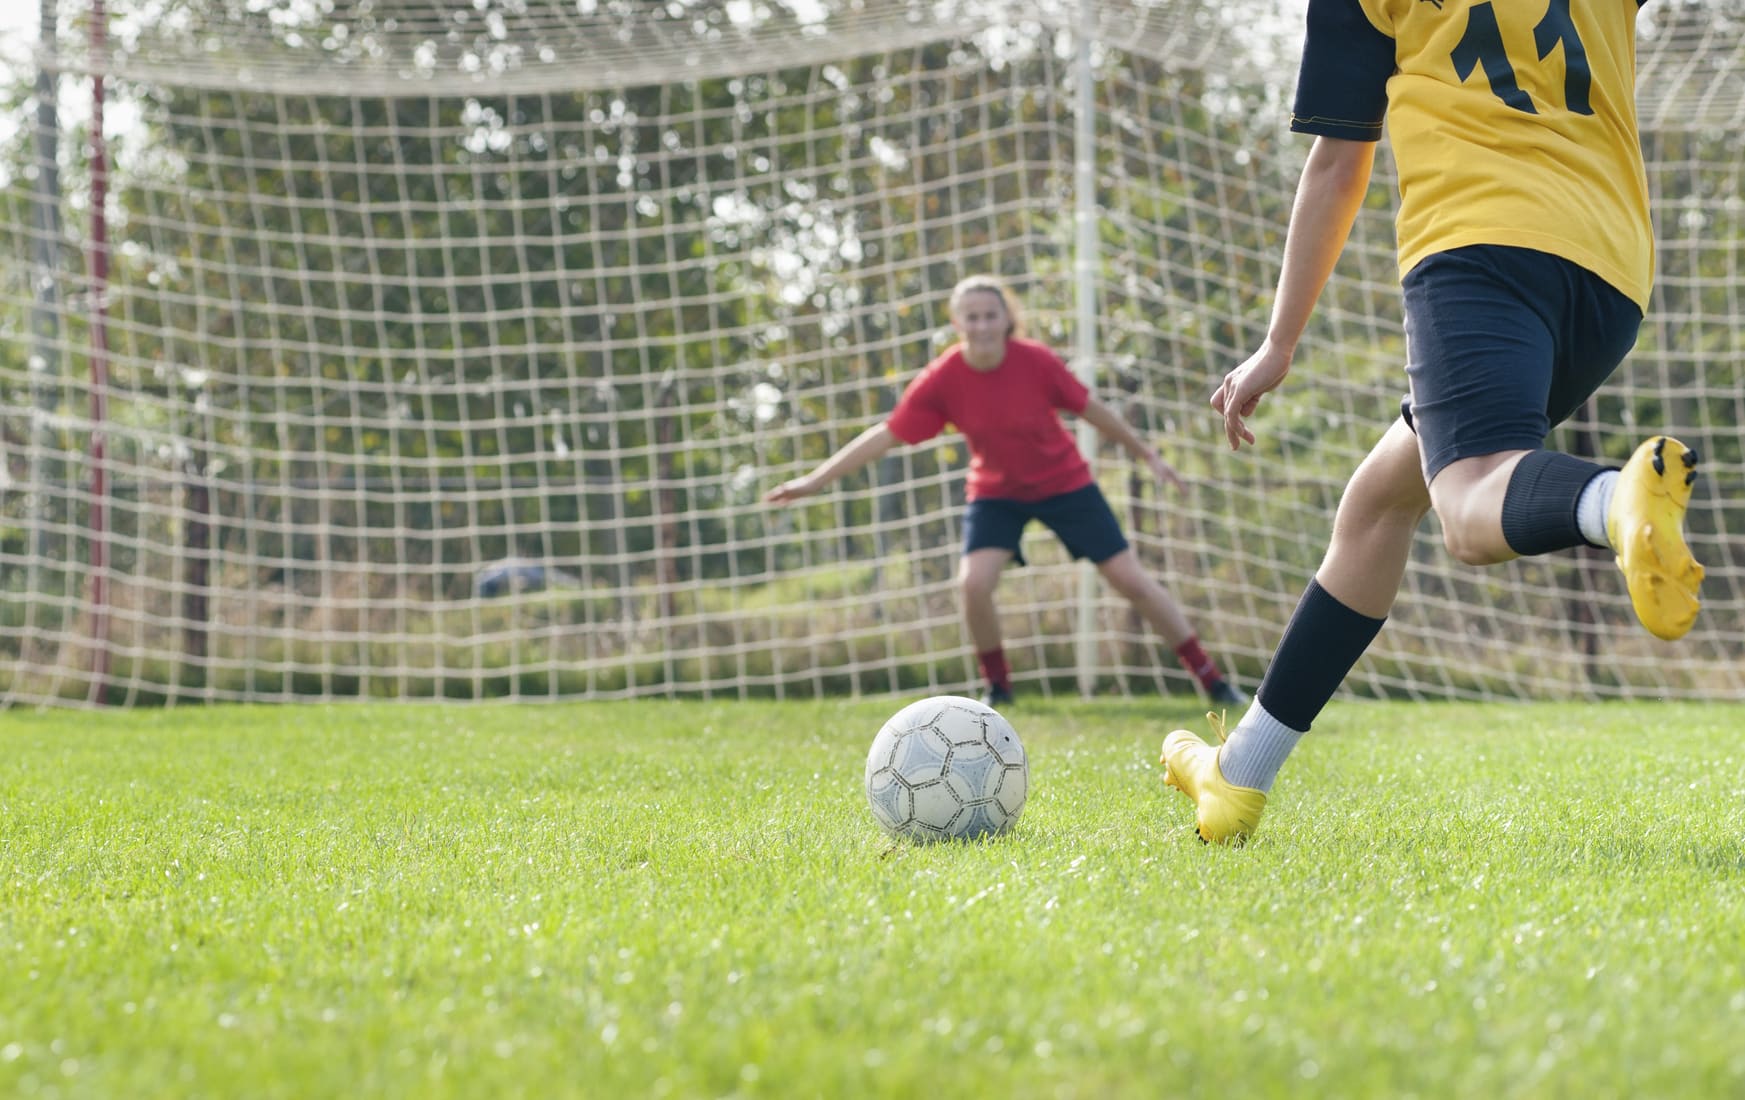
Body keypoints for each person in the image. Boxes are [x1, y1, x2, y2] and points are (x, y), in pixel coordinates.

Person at [1159, 0, 1705, 844]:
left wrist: (1278, 343)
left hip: (1478, 249)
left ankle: (1614, 504)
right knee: (1378, 501)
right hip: (1611, 274)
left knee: (1470, 505)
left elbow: (1340, 162)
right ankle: (1239, 776)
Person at [765, 274, 1245, 708]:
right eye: (971, 317)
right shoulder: (943, 377)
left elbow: (1091, 409)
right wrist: (815, 481)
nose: (982, 325)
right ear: (957, 323)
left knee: (1131, 581)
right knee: (973, 584)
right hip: (996, 491)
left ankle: (1213, 681)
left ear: (1006, 318)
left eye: (990, 315)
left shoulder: (1035, 361)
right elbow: (887, 433)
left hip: (1065, 483)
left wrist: (1147, 455)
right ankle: (998, 688)